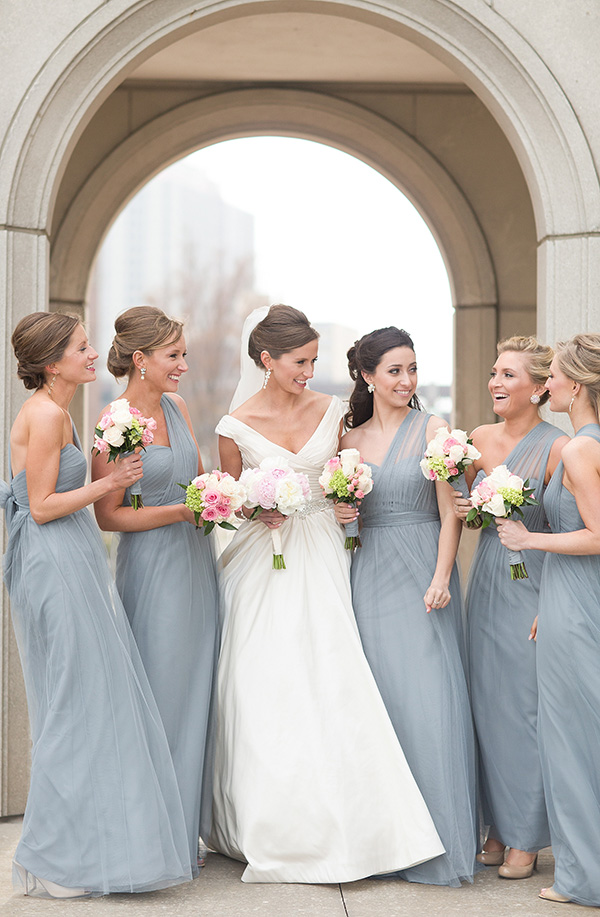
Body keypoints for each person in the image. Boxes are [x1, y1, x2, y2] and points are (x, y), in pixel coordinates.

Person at [208, 304, 444, 883]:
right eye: (299, 361)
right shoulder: (232, 428)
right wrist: (252, 508)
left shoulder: (334, 411)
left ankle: (357, 824)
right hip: (264, 564)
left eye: (314, 359)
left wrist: (344, 503)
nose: (310, 371)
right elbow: (228, 508)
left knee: (336, 677)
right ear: (266, 360)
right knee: (265, 684)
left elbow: (346, 479)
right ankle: (271, 824)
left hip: (325, 554)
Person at [0, 312, 192, 898]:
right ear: (52, 362)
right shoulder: (46, 414)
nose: (92, 355)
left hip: (68, 558)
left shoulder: (59, 412)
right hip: (53, 563)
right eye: (82, 348)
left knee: (81, 702)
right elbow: (39, 506)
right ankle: (53, 856)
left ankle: (77, 847)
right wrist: (110, 485)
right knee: (69, 706)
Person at [337, 326, 478, 886]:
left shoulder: (434, 429)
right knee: (381, 704)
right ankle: (388, 844)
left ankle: (439, 844)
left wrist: (442, 576)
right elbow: (346, 514)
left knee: (430, 701)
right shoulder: (348, 441)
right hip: (368, 572)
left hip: (424, 569)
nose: (407, 380)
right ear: (368, 376)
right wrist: (344, 516)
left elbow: (452, 512)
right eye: (394, 370)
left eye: (412, 369)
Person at [92, 306, 218, 875]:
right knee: (160, 693)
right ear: (140, 360)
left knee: (195, 692)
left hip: (197, 563)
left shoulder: (179, 407)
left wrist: (218, 498)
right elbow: (109, 516)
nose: (183, 366)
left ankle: (182, 831)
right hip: (153, 568)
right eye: (174, 356)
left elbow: (196, 479)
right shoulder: (113, 420)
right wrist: (179, 512)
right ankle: (150, 835)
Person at [454, 336, 566, 879]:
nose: (495, 383)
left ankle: (526, 837)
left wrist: (555, 605)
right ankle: (494, 830)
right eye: (494, 373)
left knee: (523, 709)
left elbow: (570, 529)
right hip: (490, 579)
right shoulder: (477, 439)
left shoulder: (559, 447)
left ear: (541, 388)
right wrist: (463, 502)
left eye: (509, 376)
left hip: (537, 584)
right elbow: (474, 517)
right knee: (486, 704)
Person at [497, 333, 600, 906]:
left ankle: (584, 877)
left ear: (576, 387)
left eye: (554, 375)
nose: (548, 382)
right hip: (568, 600)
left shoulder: (582, 450)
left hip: (578, 604)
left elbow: (598, 533)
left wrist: (528, 536)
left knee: (573, 741)